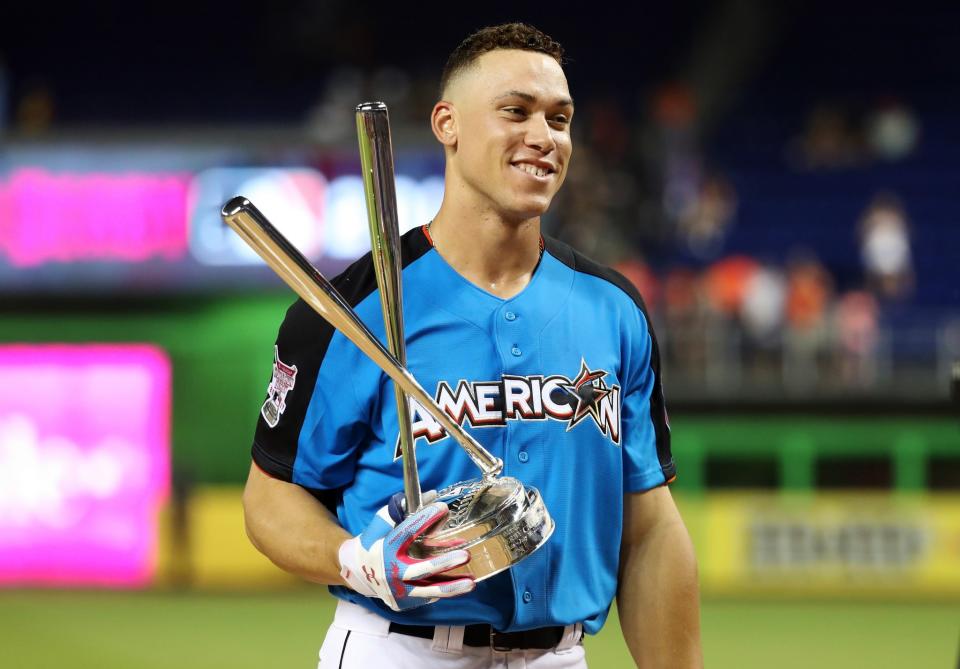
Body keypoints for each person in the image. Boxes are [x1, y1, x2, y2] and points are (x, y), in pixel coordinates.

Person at [242, 22, 702, 668]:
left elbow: (650, 527)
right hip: (399, 649)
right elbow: (269, 499)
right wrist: (360, 560)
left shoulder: (613, 310)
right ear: (447, 123)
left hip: (559, 655)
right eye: (515, 112)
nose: (543, 137)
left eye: (560, 119)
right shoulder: (348, 312)